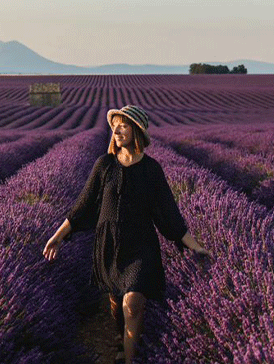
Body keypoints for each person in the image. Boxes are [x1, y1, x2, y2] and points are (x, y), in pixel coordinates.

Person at [43, 105, 211, 363]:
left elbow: (169, 213)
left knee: (132, 302)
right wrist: (57, 236)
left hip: (141, 245)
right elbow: (82, 206)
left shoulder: (152, 169)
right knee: (117, 304)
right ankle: (120, 339)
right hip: (109, 245)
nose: (117, 130)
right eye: (116, 125)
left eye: (124, 125)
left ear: (137, 131)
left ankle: (128, 360)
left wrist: (195, 246)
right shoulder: (104, 165)